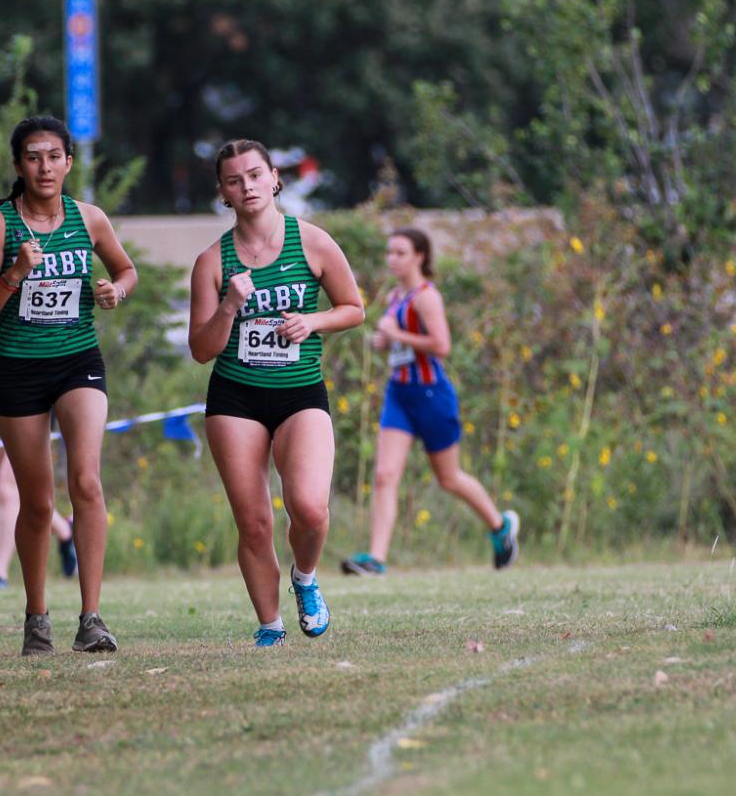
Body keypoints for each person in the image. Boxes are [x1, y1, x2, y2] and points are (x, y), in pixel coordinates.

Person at [0, 114, 137, 655]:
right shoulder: (1, 225)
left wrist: (115, 291)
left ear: (69, 162)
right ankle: (37, 618)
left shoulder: (90, 219)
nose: (44, 166)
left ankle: (91, 618)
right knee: (36, 503)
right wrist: (14, 274)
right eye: (33, 157)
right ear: (19, 165)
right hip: (18, 367)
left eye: (54, 156)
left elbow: (126, 271)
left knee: (86, 481)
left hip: (78, 361)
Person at [188, 139, 364, 645]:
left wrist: (312, 321)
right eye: (235, 180)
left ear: (275, 178)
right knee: (255, 522)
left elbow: (353, 308)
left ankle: (305, 578)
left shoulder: (312, 242)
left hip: (299, 391)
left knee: (309, 508)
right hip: (235, 397)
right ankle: (270, 626)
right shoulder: (211, 261)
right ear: (223, 191)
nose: (247, 186)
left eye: (255, 175)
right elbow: (202, 348)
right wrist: (228, 305)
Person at [342, 227, 519, 576]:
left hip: (431, 395)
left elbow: (442, 345)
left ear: (419, 256)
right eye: (389, 252)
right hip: (399, 394)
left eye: (400, 253)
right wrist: (384, 342)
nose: (392, 259)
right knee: (384, 474)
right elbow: (402, 345)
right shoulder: (395, 296)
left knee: (448, 478)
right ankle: (376, 559)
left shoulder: (426, 297)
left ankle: (500, 527)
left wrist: (396, 335)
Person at [0, 309, 77, 589]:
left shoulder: (40, 294)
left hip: (38, 401)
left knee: (6, 489)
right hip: (1, 402)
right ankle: (65, 530)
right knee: (20, 491)